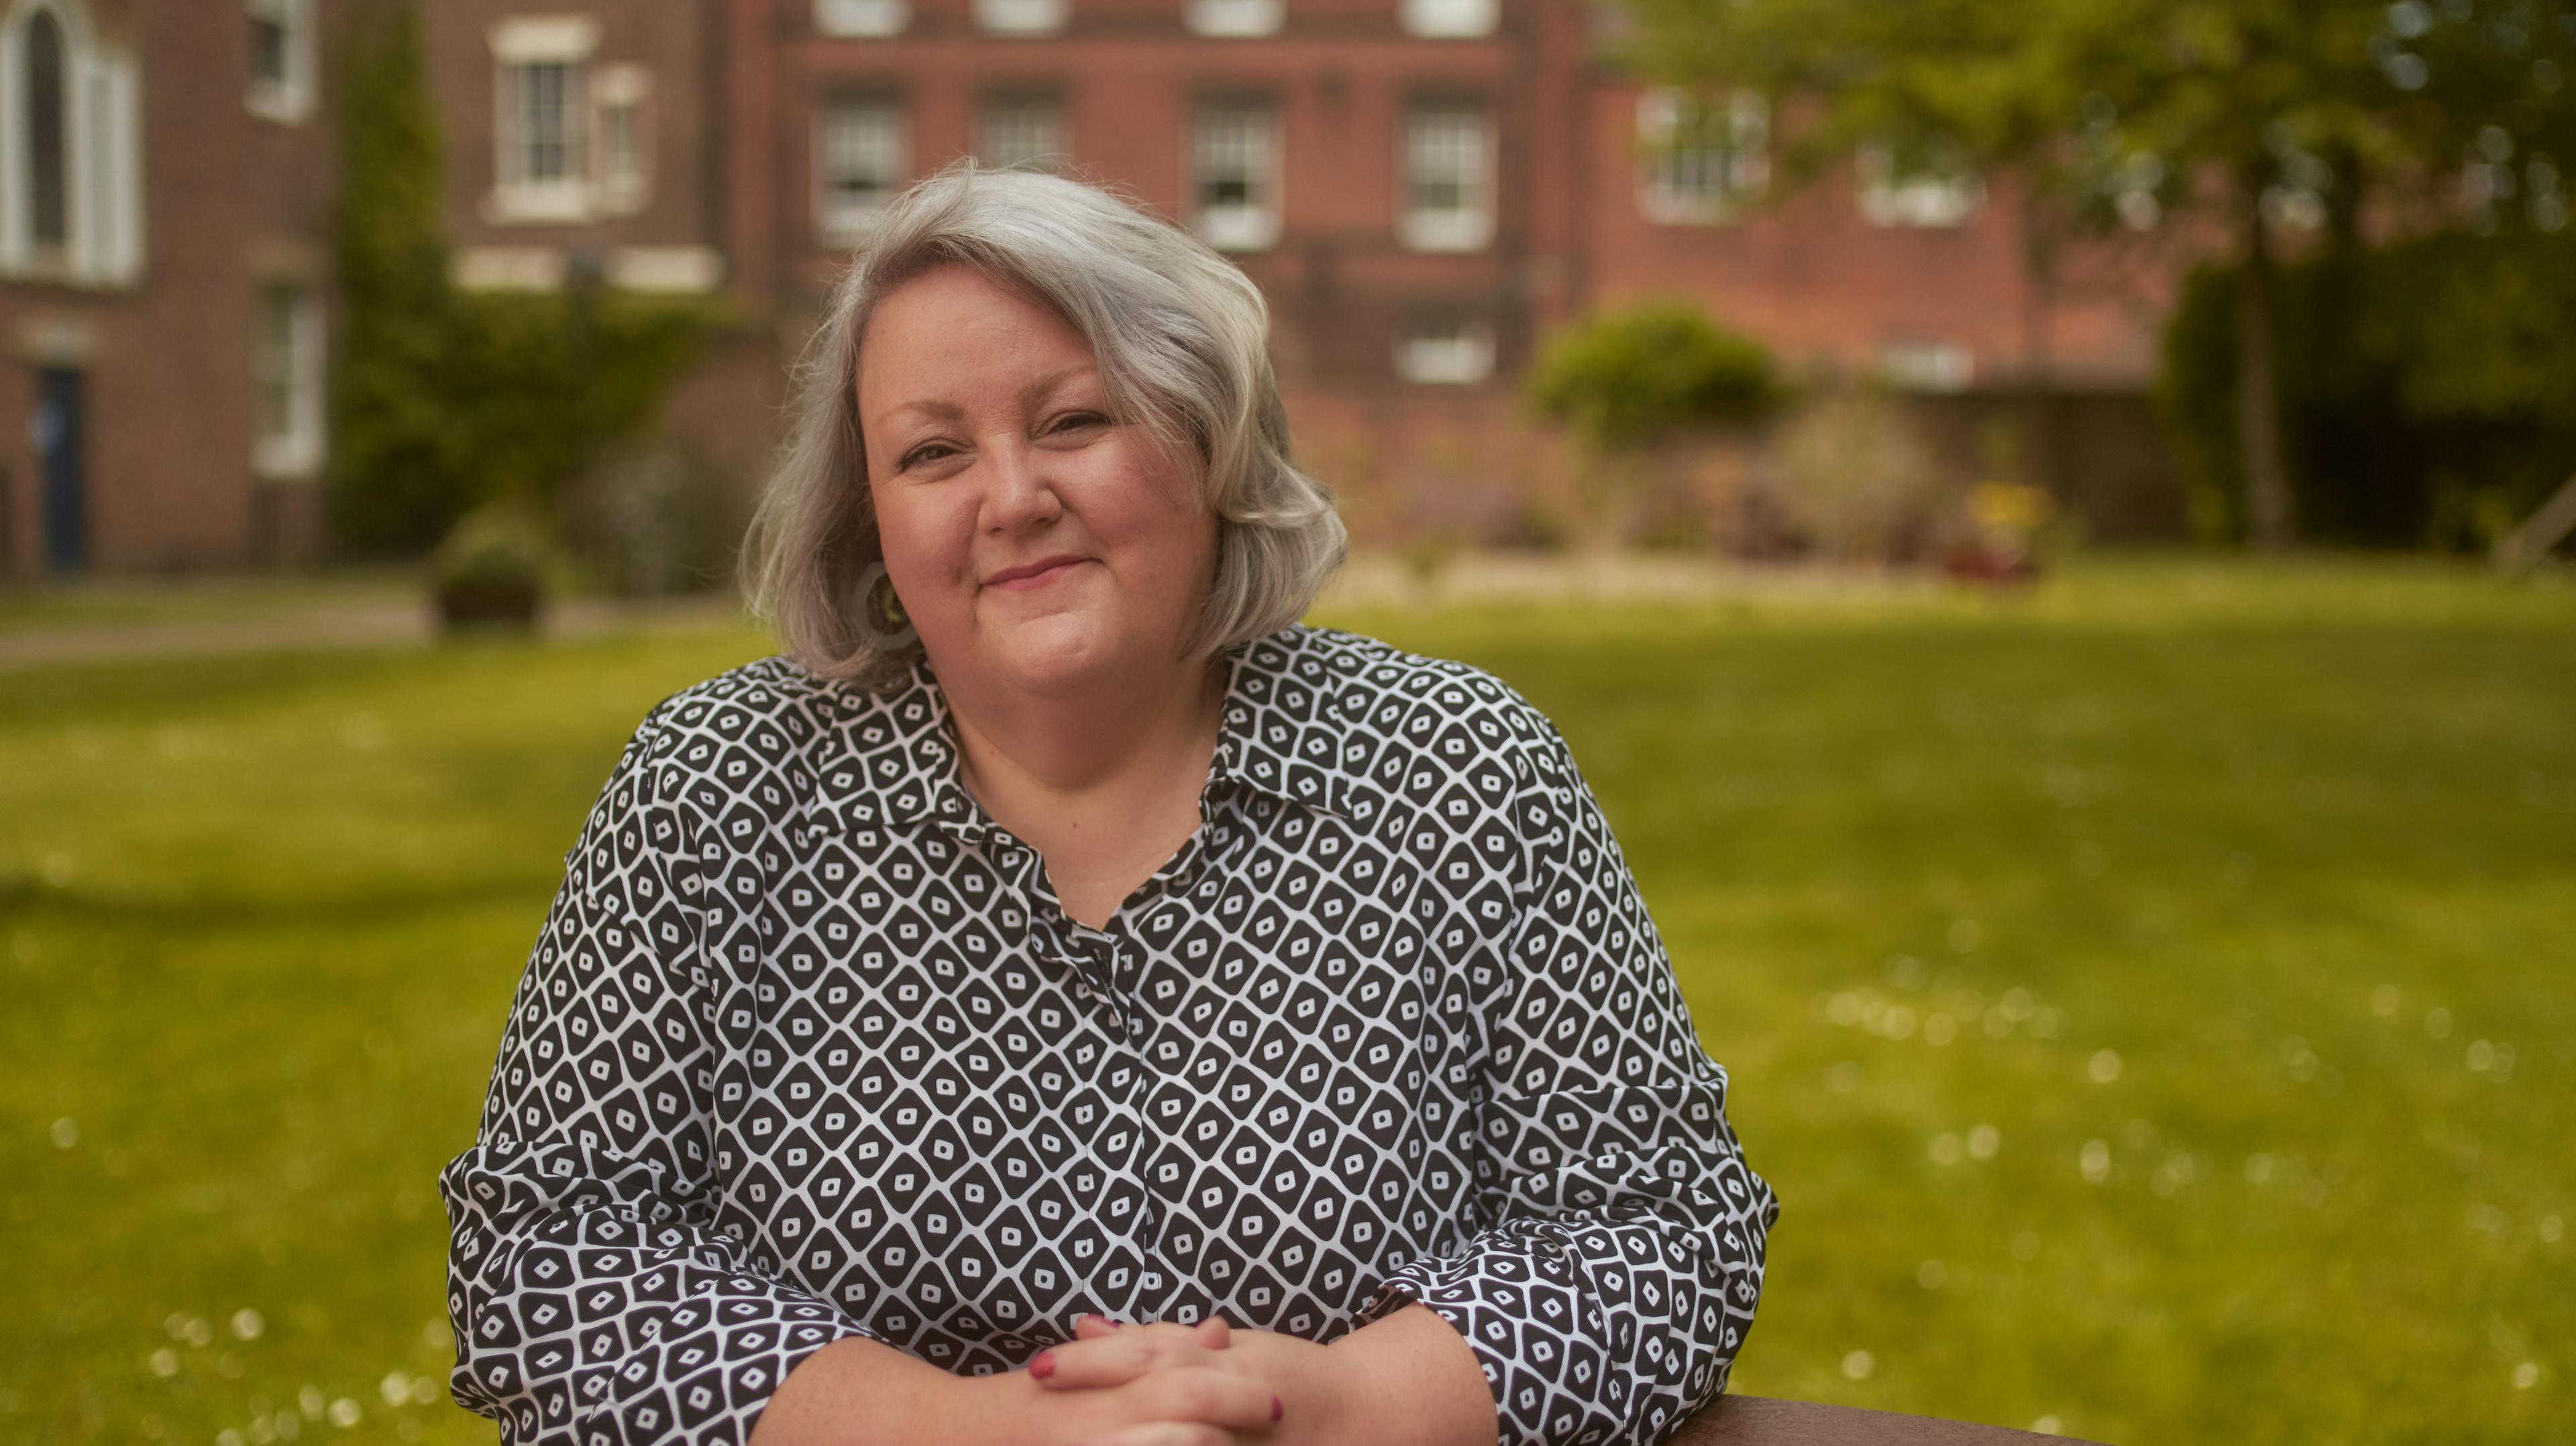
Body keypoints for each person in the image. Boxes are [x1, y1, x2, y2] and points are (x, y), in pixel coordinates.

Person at [437, 158, 1779, 1446]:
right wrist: (960, 1431)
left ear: (1205, 437)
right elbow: (544, 1257)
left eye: (1074, 421)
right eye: (932, 454)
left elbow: (1660, 1224)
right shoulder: (716, 789)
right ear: (873, 525)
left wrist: (1352, 1412)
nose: (1012, 499)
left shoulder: (1457, 768)